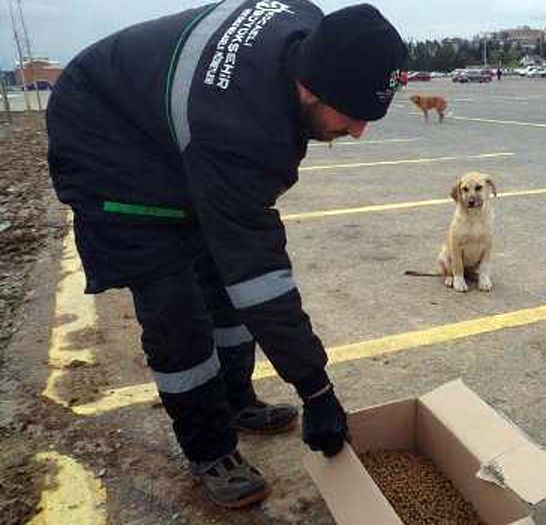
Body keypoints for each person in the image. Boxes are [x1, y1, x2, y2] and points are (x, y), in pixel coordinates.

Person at [46, 0, 406, 508]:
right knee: (175, 307)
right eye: (350, 116)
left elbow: (241, 259)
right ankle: (210, 449)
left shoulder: (312, 29)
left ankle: (237, 399)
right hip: (106, 138)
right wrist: (317, 389)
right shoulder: (240, 129)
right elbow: (261, 276)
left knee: (222, 275)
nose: (358, 131)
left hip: (173, 123)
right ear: (307, 88)